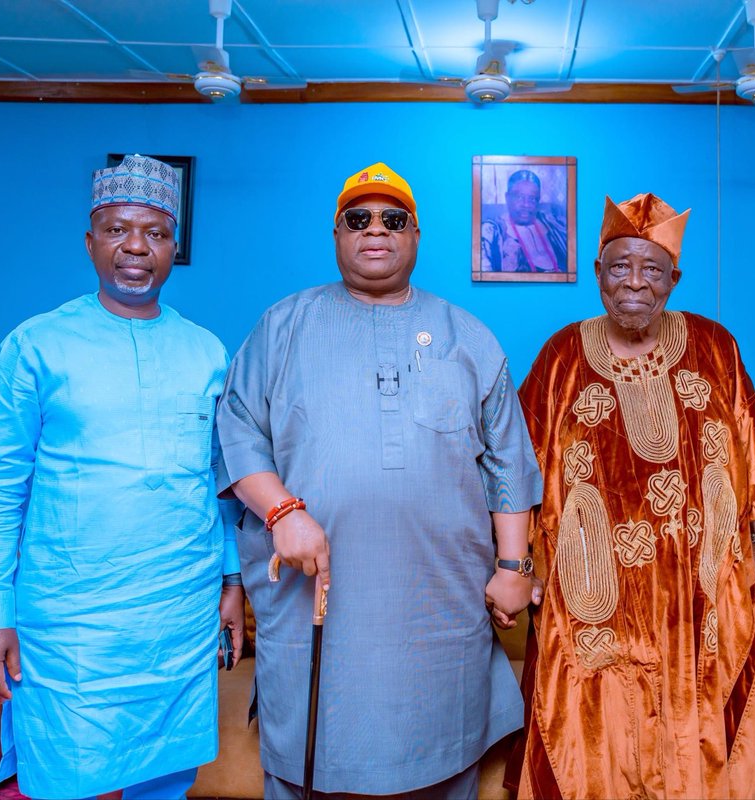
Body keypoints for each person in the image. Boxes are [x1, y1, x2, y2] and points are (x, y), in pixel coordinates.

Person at [216, 162, 543, 799]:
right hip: (317, 604)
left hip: (437, 609)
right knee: (315, 757)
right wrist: (282, 512)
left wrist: (513, 565)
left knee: (443, 760)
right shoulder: (283, 326)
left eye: (393, 220)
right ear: (336, 235)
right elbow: (237, 430)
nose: (375, 231)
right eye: (358, 219)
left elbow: (508, 460)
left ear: (415, 236)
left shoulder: (467, 336)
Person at [0, 154, 245, 800]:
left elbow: (220, 481)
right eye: (117, 230)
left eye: (154, 232)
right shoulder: (36, 345)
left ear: (175, 246)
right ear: (91, 242)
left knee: (164, 781)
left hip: (178, 614)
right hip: (71, 624)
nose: (136, 247)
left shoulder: (207, 350)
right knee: (64, 778)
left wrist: (232, 581)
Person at [513, 192, 755, 798]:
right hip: (593, 604)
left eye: (651, 269)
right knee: (593, 750)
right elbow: (515, 473)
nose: (634, 282)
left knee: (705, 756)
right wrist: (515, 568)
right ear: (597, 275)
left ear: (674, 279)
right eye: (619, 267)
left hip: (700, 601)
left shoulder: (717, 346)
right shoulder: (561, 355)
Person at [481, 169, 569, 272]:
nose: (526, 205)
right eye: (519, 197)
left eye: (532, 198)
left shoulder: (554, 223)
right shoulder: (491, 232)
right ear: (507, 197)